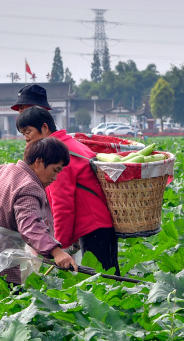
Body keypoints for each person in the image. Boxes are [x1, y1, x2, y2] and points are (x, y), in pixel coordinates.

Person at [0, 137, 77, 297]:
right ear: (38, 162)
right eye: (55, 170)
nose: (55, 178)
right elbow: (30, 226)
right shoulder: (29, 186)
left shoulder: (2, 170)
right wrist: (56, 252)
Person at [17, 106, 119, 272]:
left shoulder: (56, 153)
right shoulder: (71, 143)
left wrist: (59, 247)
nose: (26, 139)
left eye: (28, 132)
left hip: (91, 226)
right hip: (102, 223)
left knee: (101, 284)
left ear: (44, 128)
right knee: (111, 276)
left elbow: (62, 205)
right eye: (23, 134)